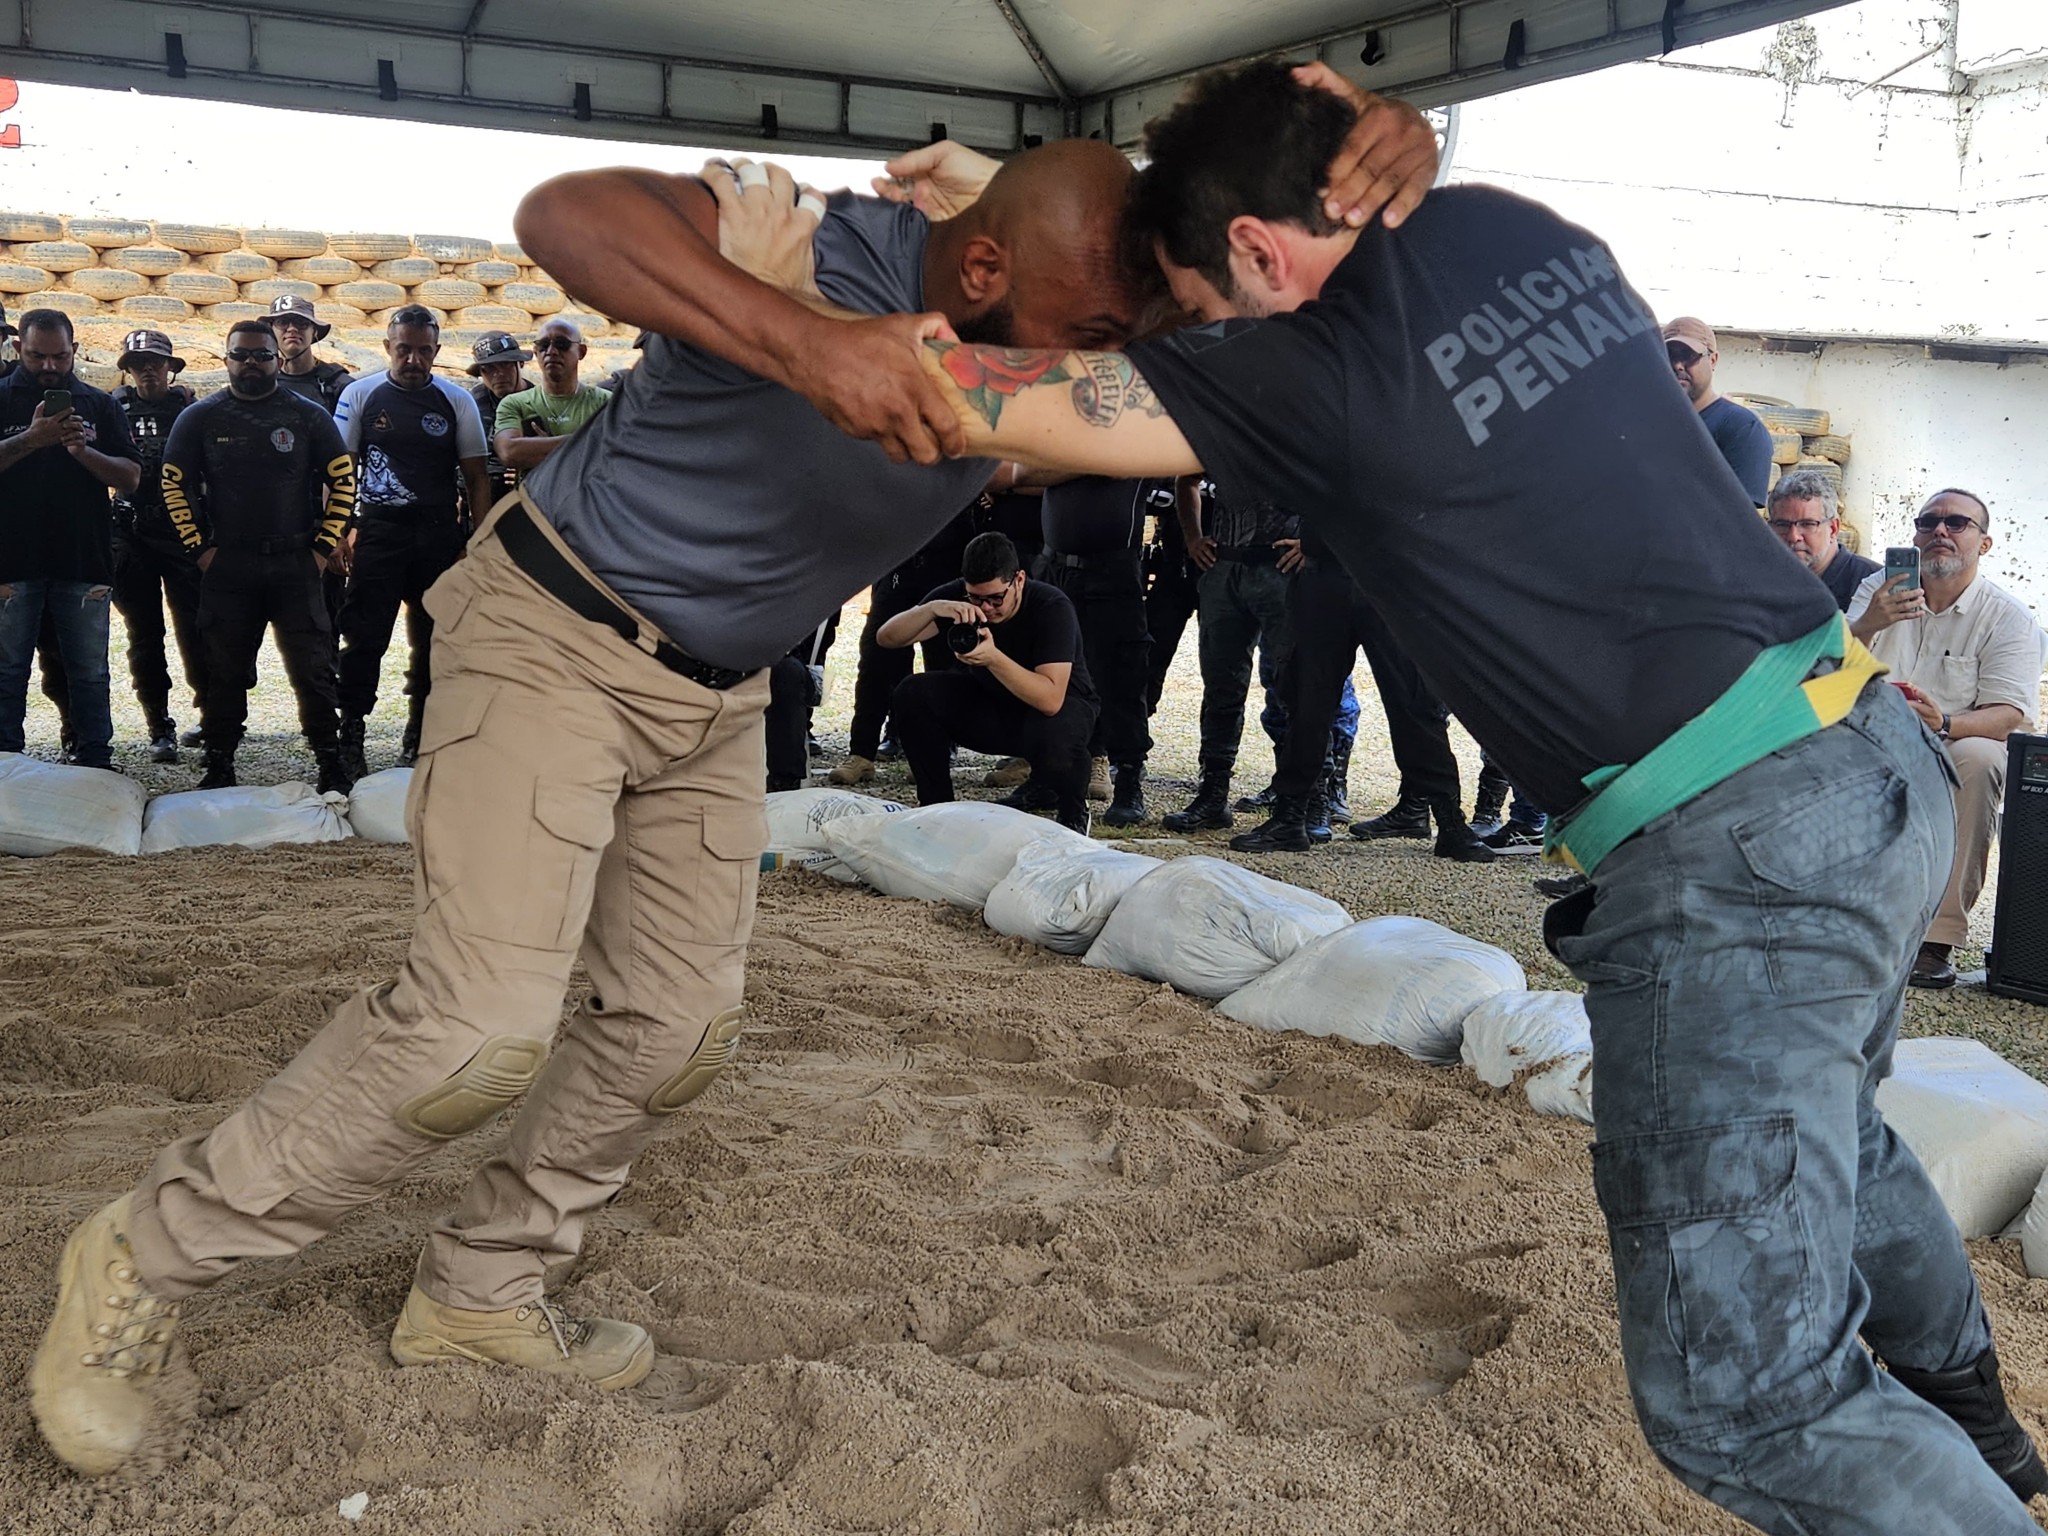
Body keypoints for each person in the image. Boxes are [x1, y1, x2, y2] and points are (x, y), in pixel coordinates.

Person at [29, 113, 1442, 1479]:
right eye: (1081, 338)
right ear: (988, 266)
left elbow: (1275, 381)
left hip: (720, 691)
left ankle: (481, 1292)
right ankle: (147, 1254)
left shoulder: (1087, 317)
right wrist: (797, 335)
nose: (1092, 374)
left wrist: (1393, 176)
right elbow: (569, 216)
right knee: (475, 1031)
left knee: (672, 1030)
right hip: (556, 634)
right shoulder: (830, 251)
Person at [798, 60, 2040, 1534]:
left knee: (1742, 1398)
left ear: (1257, 256)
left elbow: (968, 401)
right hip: (1864, 764)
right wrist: (1031, 213)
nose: (1192, 323)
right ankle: (1985, 1437)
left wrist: (780, 280)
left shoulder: (1299, 373)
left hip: (1737, 845)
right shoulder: (1524, 232)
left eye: (1199, 294)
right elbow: (1276, 168)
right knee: (1825, 1124)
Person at [1848, 490, 2047, 990]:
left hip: (1952, 739)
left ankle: (1936, 939)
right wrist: (1871, 623)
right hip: (1871, 731)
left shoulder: (2008, 618)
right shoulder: (1880, 588)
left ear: (1985, 543)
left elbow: (2008, 715)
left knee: (1981, 758)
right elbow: (1830, 669)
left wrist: (1944, 723)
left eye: (1957, 523)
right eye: (1928, 521)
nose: (1940, 531)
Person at [162, 319, 356, 793]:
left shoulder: (308, 415)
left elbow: (345, 481)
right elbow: (173, 482)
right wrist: (200, 550)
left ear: (278, 359)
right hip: (229, 563)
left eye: (262, 355)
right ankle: (220, 762)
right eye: (242, 354)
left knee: (314, 669)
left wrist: (322, 548)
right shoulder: (201, 417)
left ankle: (330, 763)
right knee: (223, 670)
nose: (252, 362)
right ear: (226, 359)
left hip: (296, 562)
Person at [1233, 531, 1493, 860]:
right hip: (1327, 577)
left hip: (1388, 577)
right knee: (1306, 702)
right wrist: (1312, 541)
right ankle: (1289, 816)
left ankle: (1450, 821)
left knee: (1414, 703)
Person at [332, 305, 490, 781]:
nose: (413, 360)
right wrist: (338, 530)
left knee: (435, 642)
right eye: (404, 349)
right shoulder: (361, 394)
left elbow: (477, 477)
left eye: (424, 351)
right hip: (378, 533)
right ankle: (351, 736)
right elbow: (340, 471)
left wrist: (476, 542)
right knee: (364, 637)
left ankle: (421, 736)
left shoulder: (456, 400)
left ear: (437, 352)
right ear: (388, 347)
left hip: (438, 536)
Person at [877, 531, 1098, 833]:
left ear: (1018, 580)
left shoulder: (1051, 606)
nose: (986, 608)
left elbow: (1050, 699)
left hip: (1056, 711)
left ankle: (1072, 810)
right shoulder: (960, 598)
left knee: (1053, 733)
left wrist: (993, 657)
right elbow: (887, 638)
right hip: (993, 704)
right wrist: (930, 609)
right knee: (913, 693)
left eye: (996, 598)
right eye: (976, 598)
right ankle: (936, 810)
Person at [0, 309, 141, 771]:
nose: (49, 367)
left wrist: (83, 452)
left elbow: (131, 478)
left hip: (83, 558)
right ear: (18, 348)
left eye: (59, 357)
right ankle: (5, 762)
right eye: (38, 356)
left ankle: (96, 760)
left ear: (75, 351)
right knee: (6, 670)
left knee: (89, 671)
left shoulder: (100, 404)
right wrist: (30, 440)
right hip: (10, 559)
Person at [1158, 485, 1299, 831]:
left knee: (1294, 686)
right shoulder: (1222, 435)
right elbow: (1185, 479)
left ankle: (1305, 800)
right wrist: (1193, 537)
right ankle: (1213, 794)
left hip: (1280, 568)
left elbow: (1331, 480)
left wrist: (1315, 541)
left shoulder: (1301, 430)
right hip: (1226, 566)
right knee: (1221, 687)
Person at [1032, 474, 1160, 824]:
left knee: (1123, 677)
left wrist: (1068, 460)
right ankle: (1044, 776)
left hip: (1113, 569)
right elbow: (1022, 467)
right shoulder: (1061, 434)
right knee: (1047, 666)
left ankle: (1129, 781)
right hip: (1054, 564)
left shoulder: (1130, 434)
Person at [107, 330, 205, 762]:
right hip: (130, 531)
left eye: (155, 361)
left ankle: (209, 715)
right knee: (144, 633)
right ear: (128, 369)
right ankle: (158, 725)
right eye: (139, 361)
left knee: (197, 629)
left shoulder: (191, 408)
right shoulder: (112, 408)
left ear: (170, 366)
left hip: (182, 531)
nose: (148, 368)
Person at [827, 502, 974, 785]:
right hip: (897, 555)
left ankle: (938, 751)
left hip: (948, 552)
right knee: (875, 655)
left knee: (943, 658)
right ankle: (861, 753)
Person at [1662, 316, 1772, 506]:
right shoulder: (1648, 425)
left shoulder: (1741, 428)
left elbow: (1739, 520)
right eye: (1669, 355)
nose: (1677, 365)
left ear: (1713, 360)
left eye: (1688, 356)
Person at [492, 318, 611, 476]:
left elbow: (617, 455)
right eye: (543, 345)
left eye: (562, 344)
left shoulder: (606, 403)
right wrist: (590, 441)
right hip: (534, 499)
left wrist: (538, 447)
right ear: (535, 352)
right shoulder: (515, 403)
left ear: (581, 352)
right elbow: (509, 452)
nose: (551, 351)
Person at [1769, 465, 1877, 611]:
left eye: (1807, 524)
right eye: (1782, 525)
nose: (1794, 536)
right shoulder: (1761, 583)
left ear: (1833, 529)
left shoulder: (1873, 586)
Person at [466, 330, 531, 508]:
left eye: (505, 365)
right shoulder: (472, 402)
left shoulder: (538, 403)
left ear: (520, 363)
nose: (498, 374)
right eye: (489, 369)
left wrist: (527, 471)